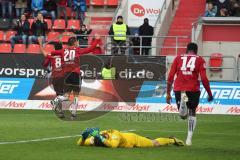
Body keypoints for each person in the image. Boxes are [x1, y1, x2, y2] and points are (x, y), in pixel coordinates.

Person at [166, 42, 214, 146]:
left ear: (186, 50)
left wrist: (168, 93)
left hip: (179, 89)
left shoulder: (178, 58)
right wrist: (210, 94)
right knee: (192, 111)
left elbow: (170, 77)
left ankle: (183, 102)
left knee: (183, 116)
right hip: (193, 89)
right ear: (196, 51)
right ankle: (189, 139)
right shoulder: (200, 59)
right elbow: (204, 79)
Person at [50, 35, 101, 119]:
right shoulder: (77, 50)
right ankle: (73, 114)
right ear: (74, 43)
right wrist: (96, 40)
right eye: (77, 41)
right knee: (76, 95)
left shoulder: (63, 50)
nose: (78, 43)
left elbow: (52, 53)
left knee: (66, 96)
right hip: (75, 74)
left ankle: (56, 100)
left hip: (66, 75)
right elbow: (91, 49)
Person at [77, 128, 184, 148]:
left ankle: (172, 139)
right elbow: (80, 144)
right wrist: (83, 137)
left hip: (133, 140)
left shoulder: (115, 135)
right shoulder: (96, 139)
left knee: (154, 143)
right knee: (150, 141)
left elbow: (113, 146)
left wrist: (101, 139)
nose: (93, 143)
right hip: (125, 142)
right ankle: (146, 138)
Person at [40, 43, 66, 118]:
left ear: (54, 49)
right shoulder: (64, 55)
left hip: (55, 77)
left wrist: (41, 46)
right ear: (62, 48)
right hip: (63, 77)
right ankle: (58, 109)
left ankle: (59, 110)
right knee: (62, 95)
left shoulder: (51, 55)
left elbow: (45, 64)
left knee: (59, 94)